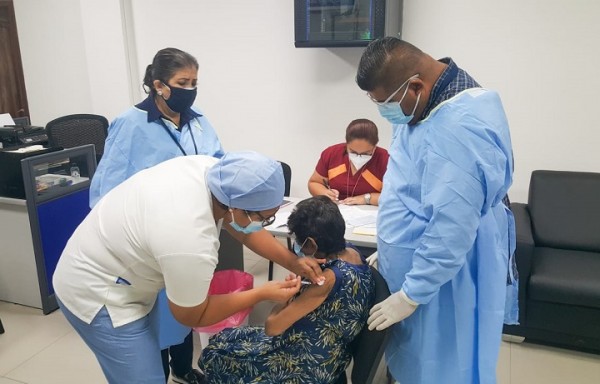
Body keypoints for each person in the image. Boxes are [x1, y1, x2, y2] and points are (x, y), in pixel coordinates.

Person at [54, 152, 325, 384]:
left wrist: (292, 261)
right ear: (236, 208)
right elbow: (192, 315)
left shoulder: (213, 173)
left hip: (117, 260)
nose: (264, 225)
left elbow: (243, 228)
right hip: (98, 291)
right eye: (263, 218)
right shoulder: (191, 238)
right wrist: (262, 293)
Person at [356, 37, 517, 384]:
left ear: (415, 85)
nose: (385, 112)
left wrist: (412, 294)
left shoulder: (459, 131)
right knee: (414, 358)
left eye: (385, 103)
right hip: (415, 263)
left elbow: (451, 232)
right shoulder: (424, 104)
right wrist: (388, 246)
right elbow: (409, 181)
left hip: (443, 278)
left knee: (442, 362)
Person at [89, 47, 225, 384]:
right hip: (149, 238)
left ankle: (182, 369)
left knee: (186, 305)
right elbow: (105, 191)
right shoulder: (131, 124)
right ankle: (159, 372)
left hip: (191, 229)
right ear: (158, 84)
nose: (190, 90)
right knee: (156, 311)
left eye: (194, 82)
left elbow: (219, 163)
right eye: (183, 82)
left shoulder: (199, 121)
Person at [198, 196, 375, 383]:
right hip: (334, 353)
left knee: (216, 352)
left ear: (311, 244)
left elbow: (272, 327)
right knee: (230, 336)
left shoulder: (328, 280)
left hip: (307, 365)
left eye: (299, 242)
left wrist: (286, 297)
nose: (297, 247)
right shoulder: (353, 253)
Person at [308, 118, 389, 206]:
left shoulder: (386, 160)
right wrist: (325, 193)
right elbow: (314, 183)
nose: (359, 157)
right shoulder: (332, 154)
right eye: (353, 152)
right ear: (346, 144)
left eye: (366, 153)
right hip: (337, 211)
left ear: (375, 146)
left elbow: (394, 197)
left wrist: (367, 198)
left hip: (372, 213)